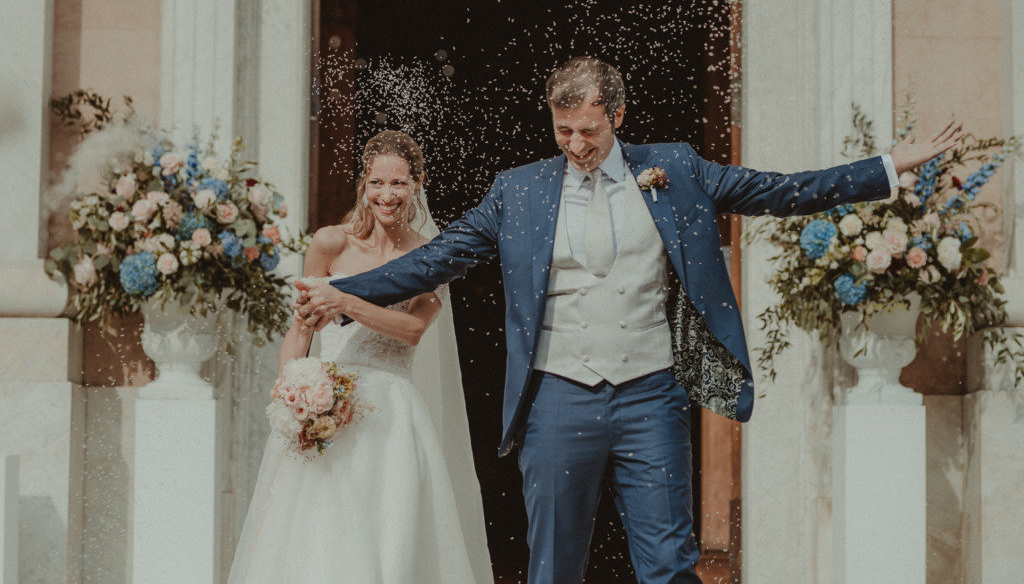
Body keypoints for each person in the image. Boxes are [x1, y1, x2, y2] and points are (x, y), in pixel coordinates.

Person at [295, 57, 961, 582]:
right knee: (554, 565)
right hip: (555, 395)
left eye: (589, 129)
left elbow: (779, 191)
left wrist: (885, 169)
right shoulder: (518, 190)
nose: (577, 144)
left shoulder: (675, 168)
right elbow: (436, 259)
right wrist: (342, 291)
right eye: (563, 132)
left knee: (669, 563)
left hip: (650, 393)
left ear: (618, 113)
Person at [228, 130, 492, 583]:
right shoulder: (331, 243)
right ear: (362, 185)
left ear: (417, 184)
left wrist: (345, 302)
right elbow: (301, 330)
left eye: (398, 184)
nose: (386, 196)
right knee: (321, 532)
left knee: (393, 531)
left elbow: (411, 330)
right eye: (376, 184)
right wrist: (290, 396)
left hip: (393, 413)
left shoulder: (429, 254)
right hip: (328, 404)